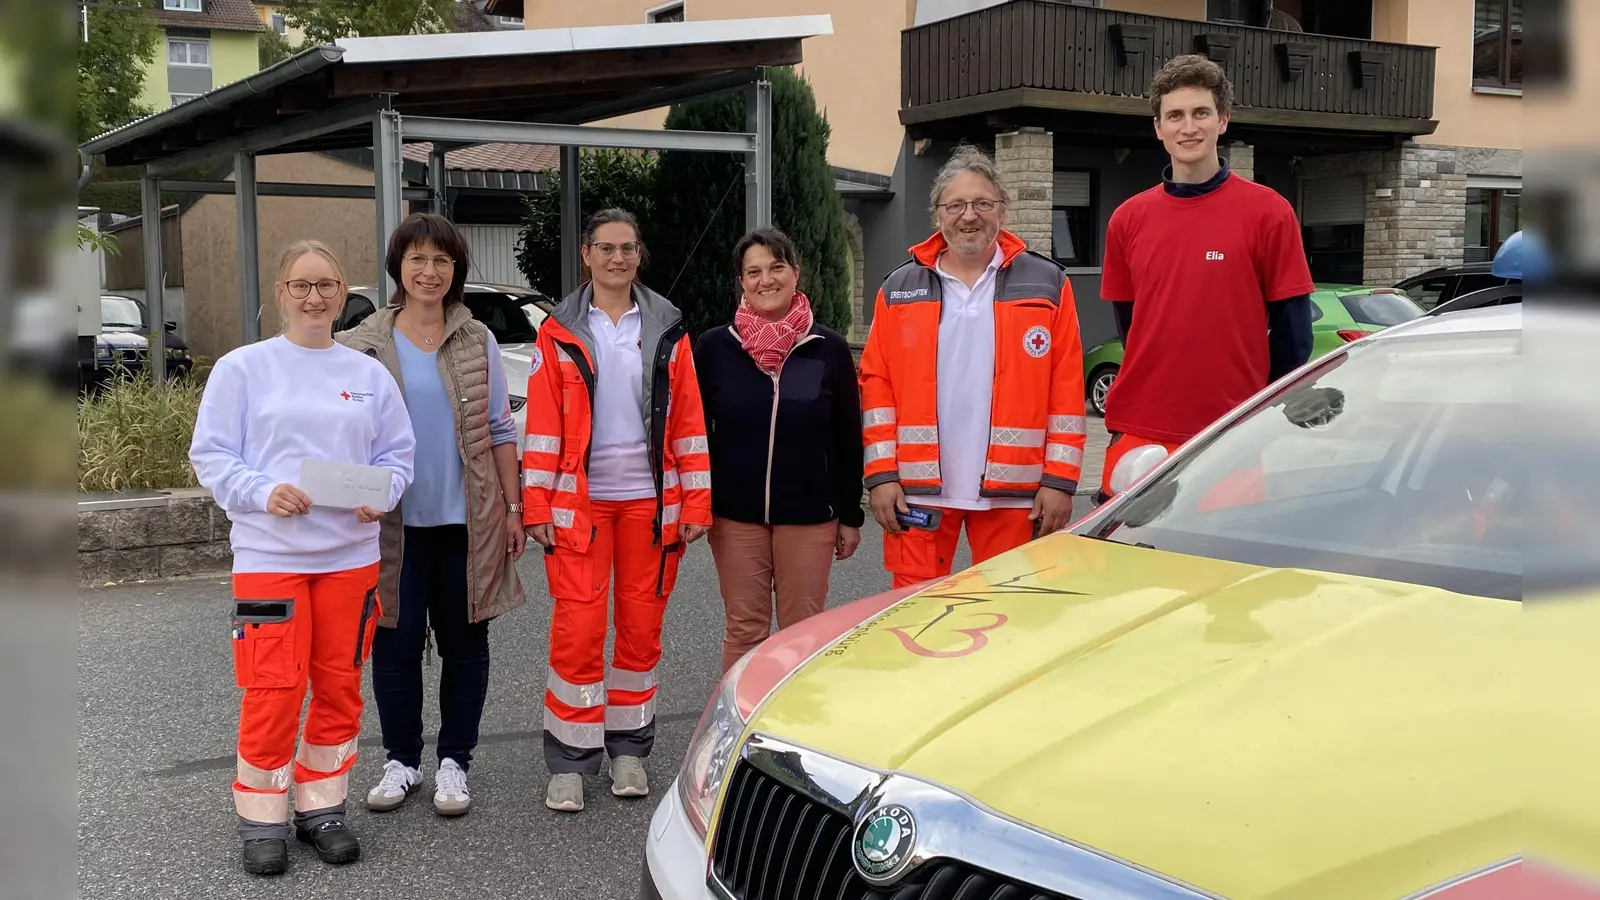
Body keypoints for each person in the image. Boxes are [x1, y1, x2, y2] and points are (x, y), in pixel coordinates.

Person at [189, 240, 416, 876]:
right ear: (281, 293)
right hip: (271, 556)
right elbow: (211, 456)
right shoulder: (243, 369)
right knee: (274, 689)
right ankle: (262, 818)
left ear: (344, 294)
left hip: (350, 558)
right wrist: (263, 491)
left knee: (340, 686)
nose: (314, 297)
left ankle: (323, 808)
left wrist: (383, 495)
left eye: (326, 285)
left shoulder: (368, 376)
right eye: (301, 285)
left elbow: (398, 456)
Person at [335, 212, 528, 819]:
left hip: (466, 519)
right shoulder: (360, 344)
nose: (429, 270)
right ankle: (401, 760)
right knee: (391, 643)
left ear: (455, 270)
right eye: (417, 259)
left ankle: (455, 762)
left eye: (441, 260)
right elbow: (336, 433)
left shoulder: (478, 340)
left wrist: (513, 506)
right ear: (398, 266)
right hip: (389, 524)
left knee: (465, 643)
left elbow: (500, 428)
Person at [520, 208, 712, 812]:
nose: (617, 259)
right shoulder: (558, 330)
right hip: (580, 503)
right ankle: (571, 761)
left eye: (627, 248)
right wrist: (536, 503)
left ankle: (628, 749)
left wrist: (698, 500)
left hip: (649, 506)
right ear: (586, 254)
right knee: (578, 628)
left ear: (639, 255)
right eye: (606, 248)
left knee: (639, 629)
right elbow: (543, 426)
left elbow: (688, 420)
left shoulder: (666, 325)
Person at [859, 145, 1087, 589]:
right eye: (956, 205)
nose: (969, 215)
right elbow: (877, 388)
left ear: (1002, 209)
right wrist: (882, 476)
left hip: (1015, 495)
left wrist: (1059, 482)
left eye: (983, 203)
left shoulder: (1048, 284)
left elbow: (1065, 388)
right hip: (918, 491)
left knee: (1013, 618)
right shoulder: (899, 288)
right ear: (938, 214)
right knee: (914, 621)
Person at [1096, 54, 1315, 504]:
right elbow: (1130, 327)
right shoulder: (1127, 219)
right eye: (1174, 115)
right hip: (1140, 427)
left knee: (1214, 568)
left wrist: (1255, 412)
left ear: (1223, 121)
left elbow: (1294, 335)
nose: (1188, 127)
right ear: (1158, 128)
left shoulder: (1268, 212)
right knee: (1126, 567)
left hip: (1230, 431)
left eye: (1201, 113)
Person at [693, 228, 865, 674]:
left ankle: (795, 728)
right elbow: (695, 436)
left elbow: (847, 435)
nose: (765, 280)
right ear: (741, 281)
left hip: (810, 518)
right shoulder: (714, 348)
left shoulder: (828, 349)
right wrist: (697, 501)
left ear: (796, 273)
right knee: (745, 629)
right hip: (735, 518)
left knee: (802, 632)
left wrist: (850, 513)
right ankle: (738, 734)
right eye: (753, 271)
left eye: (776, 267)